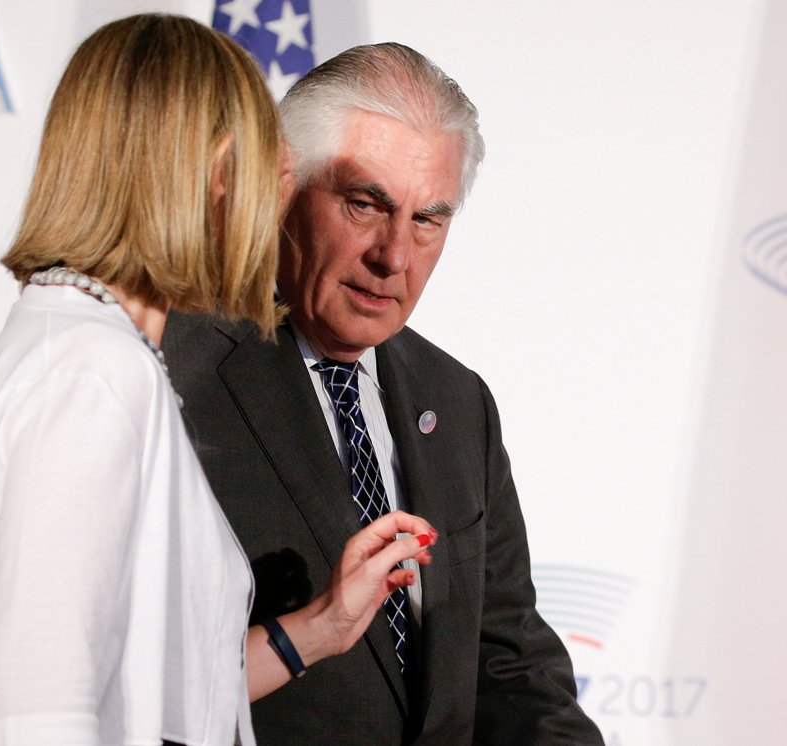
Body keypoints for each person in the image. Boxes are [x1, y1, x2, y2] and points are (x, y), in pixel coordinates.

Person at [0, 16, 438, 746]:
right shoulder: (92, 370)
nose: (283, 205)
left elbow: (156, 697)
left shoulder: (95, 350)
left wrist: (321, 626)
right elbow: (42, 711)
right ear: (220, 173)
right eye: (276, 169)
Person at [163, 42, 605, 744]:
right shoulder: (172, 378)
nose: (394, 255)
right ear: (283, 186)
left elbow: (509, 663)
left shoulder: (458, 403)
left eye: (428, 219)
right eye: (365, 204)